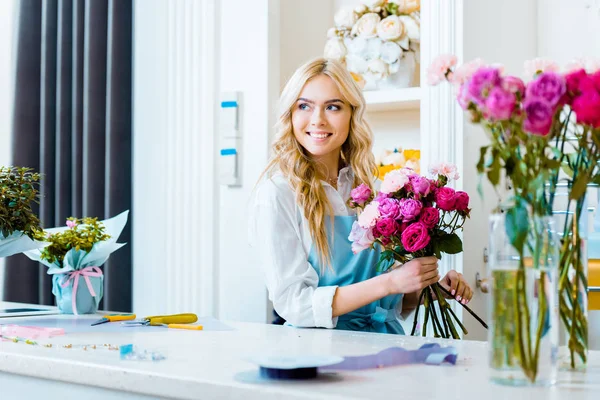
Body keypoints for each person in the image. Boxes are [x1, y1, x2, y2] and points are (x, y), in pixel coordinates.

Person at [248, 57, 473, 334]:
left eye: (333, 106)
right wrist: (390, 283)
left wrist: (424, 287)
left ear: (351, 114)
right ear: (291, 115)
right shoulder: (277, 193)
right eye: (304, 106)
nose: (317, 119)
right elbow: (295, 304)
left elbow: (386, 303)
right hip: (317, 352)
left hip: (384, 344)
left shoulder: (370, 188)